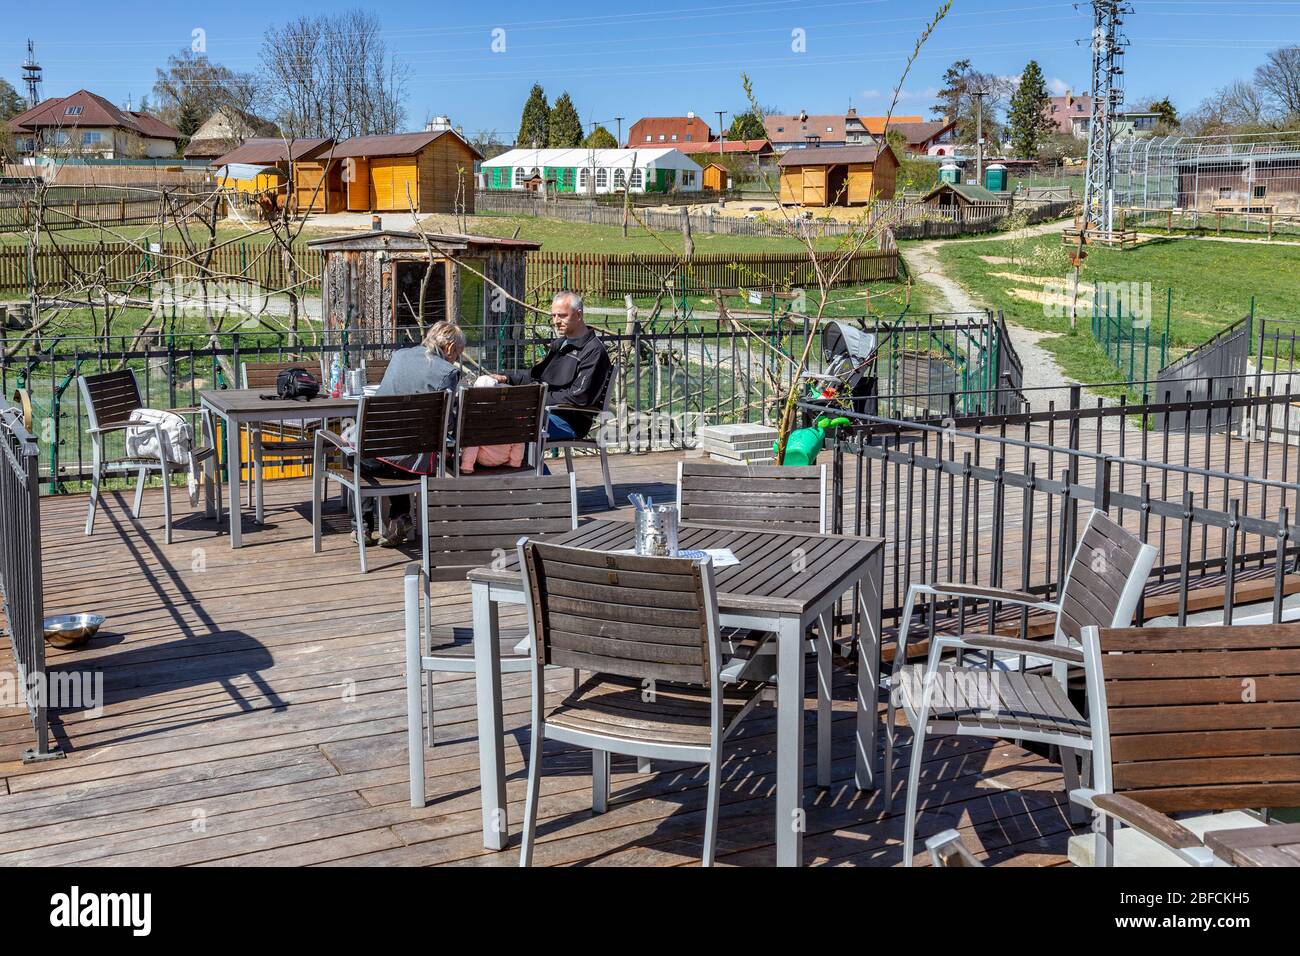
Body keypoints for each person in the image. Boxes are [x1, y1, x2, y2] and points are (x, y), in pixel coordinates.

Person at [352, 320, 464, 547]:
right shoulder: (448, 372)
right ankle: (399, 516)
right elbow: (447, 424)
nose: (457, 357)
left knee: (354, 450)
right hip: (414, 465)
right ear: (450, 348)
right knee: (404, 452)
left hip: (374, 456)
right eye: (459, 353)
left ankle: (362, 526)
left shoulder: (400, 356)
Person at [492, 291, 611, 441]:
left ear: (579, 315)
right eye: (553, 315)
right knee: (494, 416)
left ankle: (531, 465)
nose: (556, 321)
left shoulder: (593, 351)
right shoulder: (561, 344)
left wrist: (534, 397)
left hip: (569, 422)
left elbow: (578, 396)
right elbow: (535, 376)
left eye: (562, 315)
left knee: (513, 425)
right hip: (544, 413)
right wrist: (505, 379)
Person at [459, 375, 526, 473]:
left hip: (482, 459)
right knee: (517, 433)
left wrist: (466, 465)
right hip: (504, 458)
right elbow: (519, 440)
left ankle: (468, 466)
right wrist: (515, 462)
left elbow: (472, 444)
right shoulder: (510, 413)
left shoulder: (477, 416)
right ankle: (515, 462)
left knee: (472, 435)